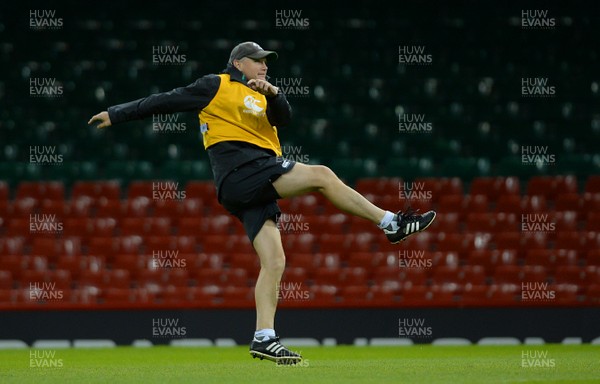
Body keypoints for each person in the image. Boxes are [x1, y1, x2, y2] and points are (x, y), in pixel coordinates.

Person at [88, 41, 436, 364]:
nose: (264, 66)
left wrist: (275, 95)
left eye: (267, 62)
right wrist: (116, 114)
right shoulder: (216, 85)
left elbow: (284, 120)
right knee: (323, 176)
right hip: (243, 170)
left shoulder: (262, 94)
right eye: (258, 60)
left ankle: (263, 337)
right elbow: (164, 100)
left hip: (252, 184)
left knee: (275, 261)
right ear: (238, 63)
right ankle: (392, 224)